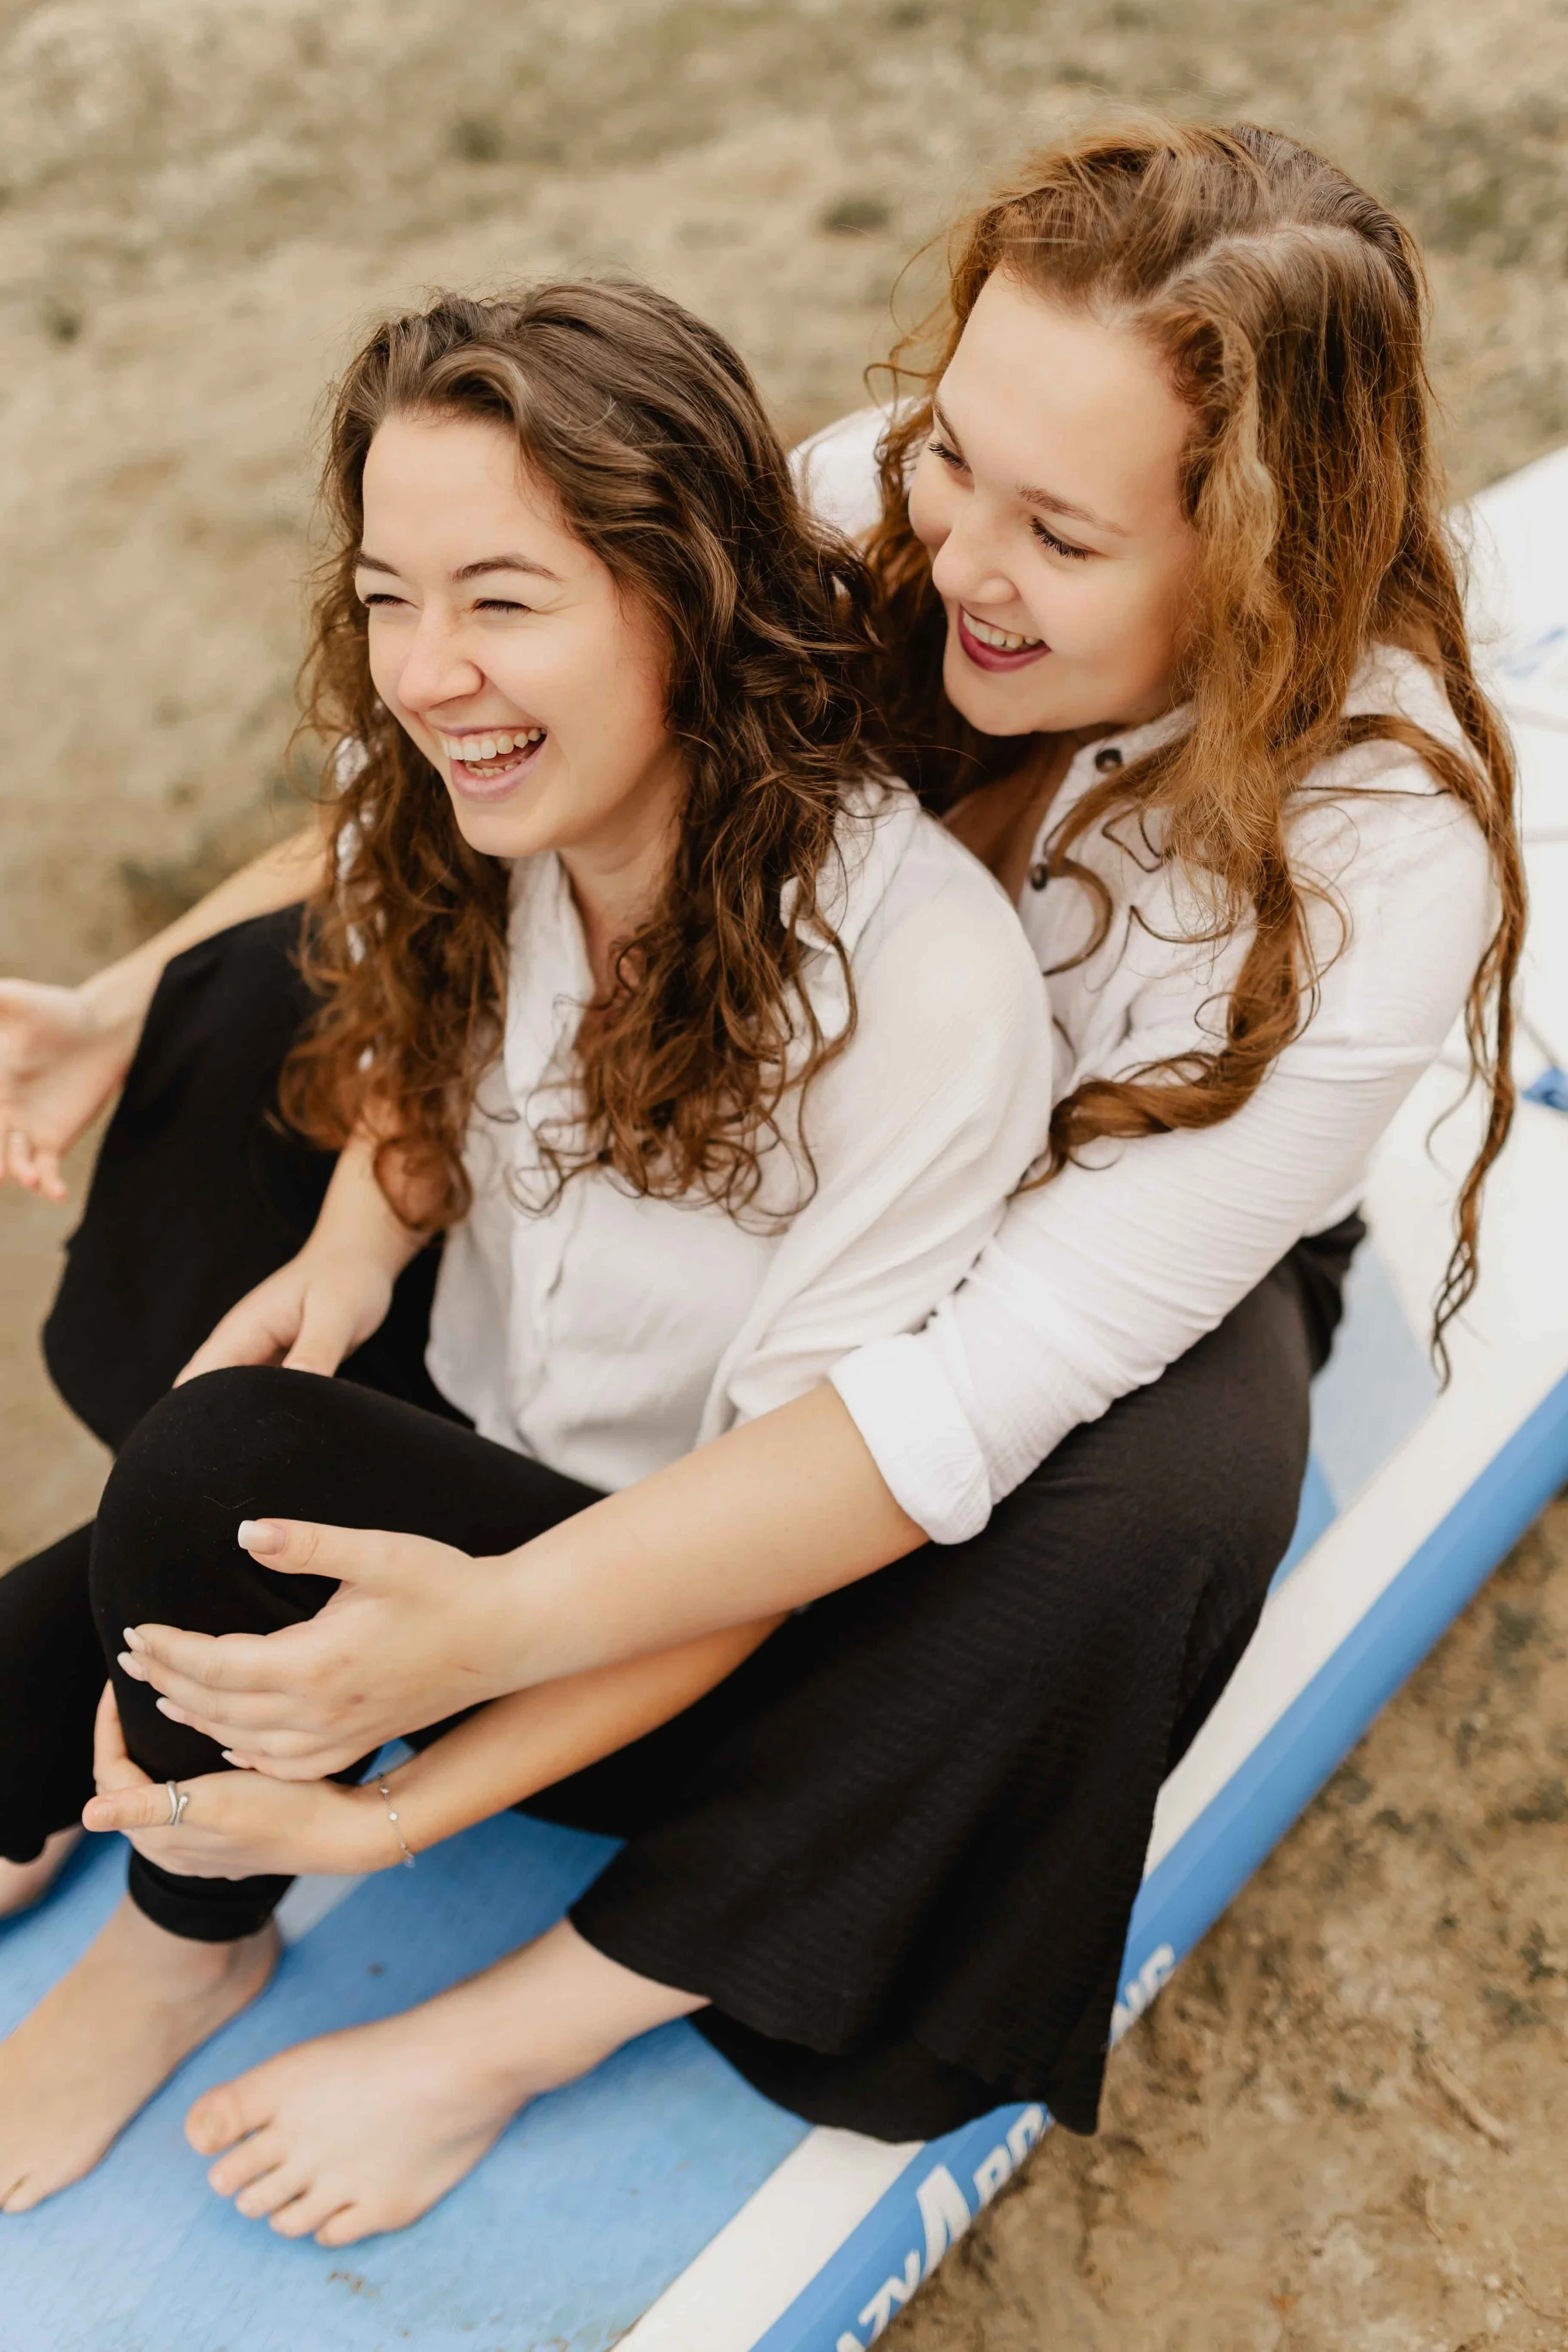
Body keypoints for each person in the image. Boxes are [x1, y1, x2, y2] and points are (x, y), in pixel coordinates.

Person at [0, 119, 1522, 2245]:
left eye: (1057, 532)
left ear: (1262, 554)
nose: (959, 544)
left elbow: (957, 1395)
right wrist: (133, 990)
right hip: (724, 1136)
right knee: (275, 997)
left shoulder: (1372, 863)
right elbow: (476, 761)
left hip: (1063, 1265)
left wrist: (486, 1658)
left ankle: (538, 2009)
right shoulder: (879, 508)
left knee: (1150, 1509)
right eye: (949, 456)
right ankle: (231, 1610)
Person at [0, 277, 1052, 2227]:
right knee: (33, 1651)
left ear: (685, 595)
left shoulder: (918, 984)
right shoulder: (486, 787)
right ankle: (99, 1761)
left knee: (212, 1471)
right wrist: (352, 1245)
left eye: (498, 597)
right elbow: (424, 1029)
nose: (421, 666)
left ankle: (186, 1936)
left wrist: (380, 1808)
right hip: (470, 1440)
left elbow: (779, 1532)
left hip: (689, 1632)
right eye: (389, 595)